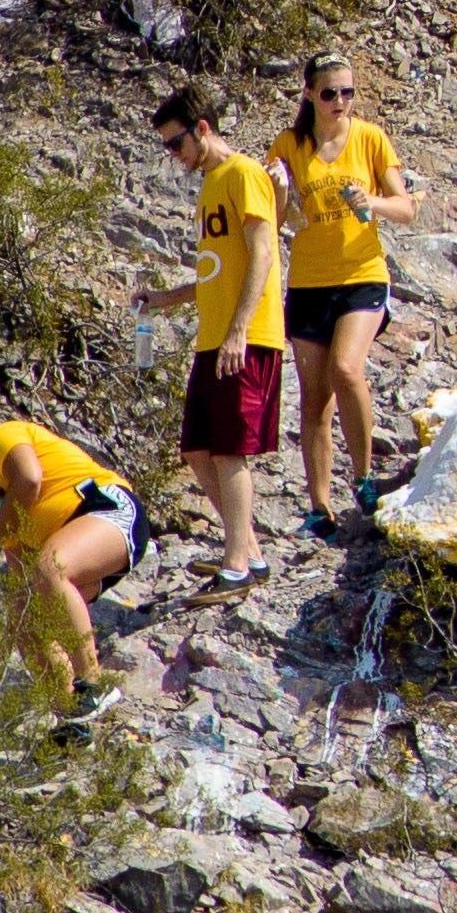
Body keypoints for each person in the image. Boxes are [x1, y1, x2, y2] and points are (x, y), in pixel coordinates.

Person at [268, 52, 416, 541]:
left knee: (347, 369)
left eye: (348, 92)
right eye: (330, 93)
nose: (340, 102)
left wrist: (370, 201)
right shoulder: (290, 144)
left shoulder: (370, 138)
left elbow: (406, 208)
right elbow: (279, 216)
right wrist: (279, 188)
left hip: (362, 273)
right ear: (309, 93)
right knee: (315, 397)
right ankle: (319, 506)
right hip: (309, 280)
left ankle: (363, 477)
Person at [163, 85, 294, 588]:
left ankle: (236, 564)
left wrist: (240, 328)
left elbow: (263, 252)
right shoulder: (211, 183)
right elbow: (216, 271)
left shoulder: (243, 173)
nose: (175, 157)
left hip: (246, 333)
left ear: (202, 129)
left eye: (177, 144)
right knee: (198, 449)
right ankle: (250, 552)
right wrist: (163, 298)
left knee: (228, 450)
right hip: (212, 336)